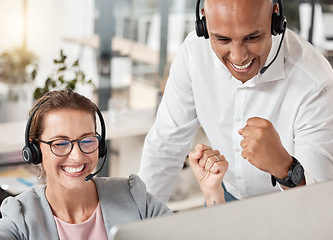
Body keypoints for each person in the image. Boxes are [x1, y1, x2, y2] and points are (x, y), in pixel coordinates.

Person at [138, 0, 333, 203]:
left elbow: (319, 204)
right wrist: (139, 224)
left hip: (287, 205)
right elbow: (165, 145)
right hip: (224, 195)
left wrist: (285, 167)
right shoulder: (193, 52)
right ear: (204, 23)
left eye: (252, 37)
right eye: (222, 39)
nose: (239, 57)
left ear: (274, 20)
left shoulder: (316, 82)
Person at [0, 89, 172, 239]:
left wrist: (201, 185)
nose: (76, 156)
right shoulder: (20, 217)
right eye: (60, 143)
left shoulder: (133, 197)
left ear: (101, 145)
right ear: (35, 150)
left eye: (87, 140)